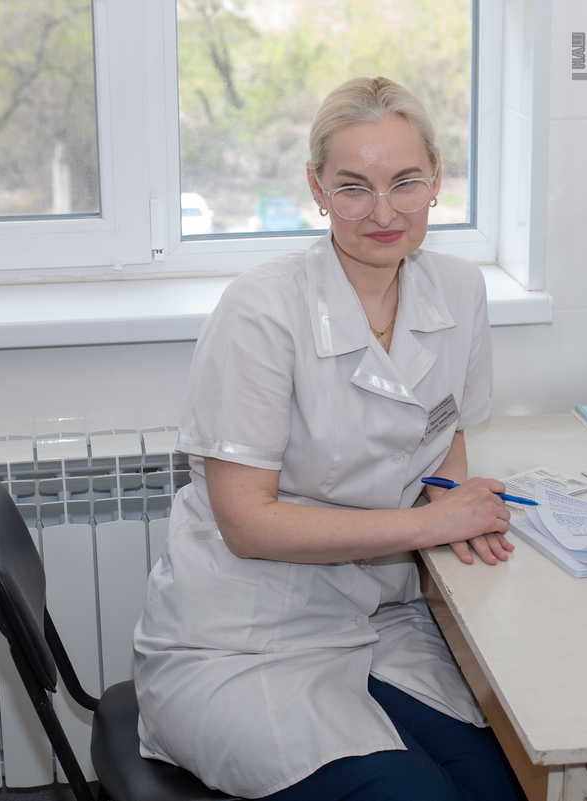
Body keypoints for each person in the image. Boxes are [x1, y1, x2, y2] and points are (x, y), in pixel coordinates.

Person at [134, 76, 524, 801]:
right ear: (316, 189)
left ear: (436, 179)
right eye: (353, 188)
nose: (384, 212)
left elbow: (444, 431)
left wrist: (451, 499)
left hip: (381, 614)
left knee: (504, 785)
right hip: (246, 633)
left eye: (405, 181)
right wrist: (434, 522)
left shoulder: (459, 290)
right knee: (415, 796)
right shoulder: (261, 310)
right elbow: (248, 523)